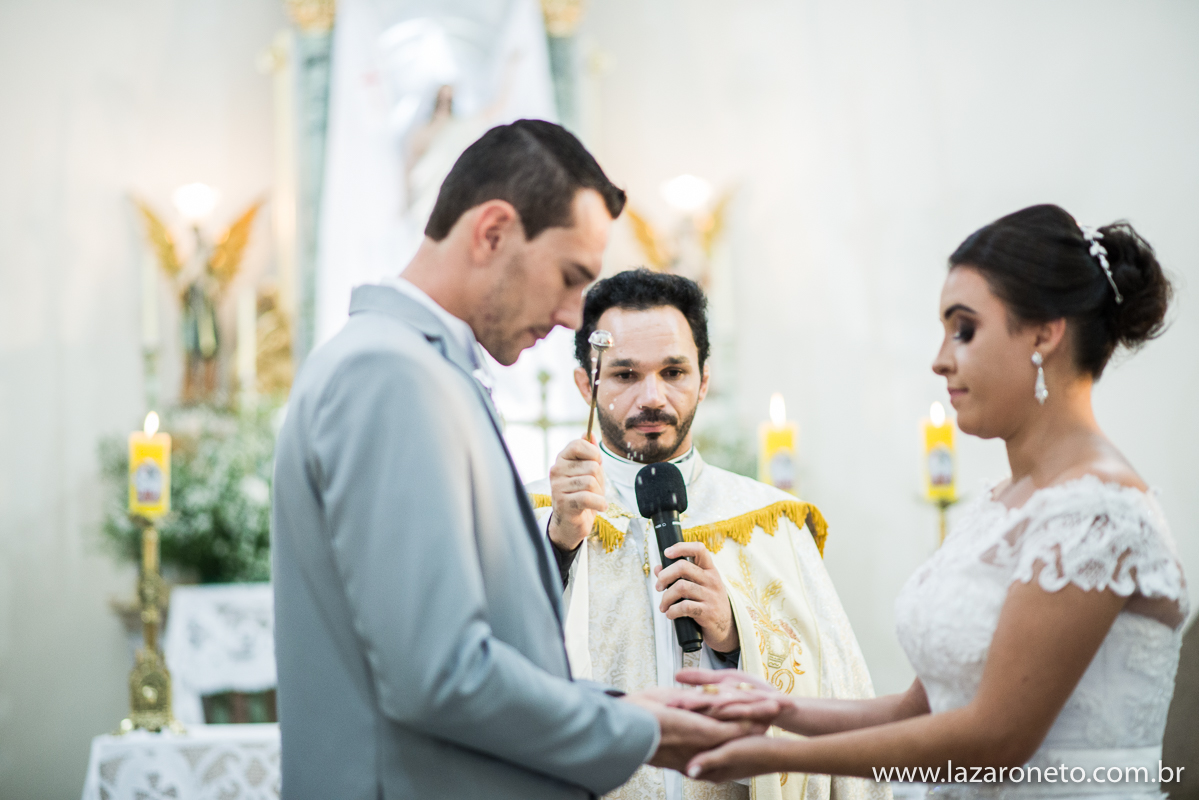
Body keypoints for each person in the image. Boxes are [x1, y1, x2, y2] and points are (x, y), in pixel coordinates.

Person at [271, 121, 765, 800]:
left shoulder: (413, 368)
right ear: (492, 231)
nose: (572, 318)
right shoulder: (390, 374)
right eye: (569, 278)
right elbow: (437, 674)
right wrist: (634, 727)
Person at [679, 205, 1189, 799]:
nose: (940, 358)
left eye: (964, 329)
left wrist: (774, 756)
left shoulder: (1097, 515)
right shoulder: (1002, 507)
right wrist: (780, 709)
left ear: (1045, 333)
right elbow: (917, 713)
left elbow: (994, 744)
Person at [525, 269, 889, 800]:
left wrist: (736, 636)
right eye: (625, 375)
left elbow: (833, 690)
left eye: (673, 371)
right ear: (588, 383)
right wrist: (560, 541)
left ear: (704, 379)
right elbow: (488, 672)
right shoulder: (528, 513)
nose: (653, 397)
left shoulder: (770, 521)